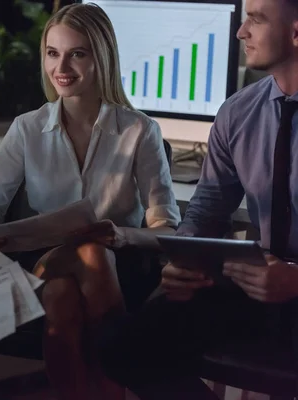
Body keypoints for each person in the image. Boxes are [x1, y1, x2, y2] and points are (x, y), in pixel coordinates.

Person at [0, 4, 181, 399]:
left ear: (101, 58)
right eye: (52, 53)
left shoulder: (139, 130)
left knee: (72, 284)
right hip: (42, 260)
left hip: (121, 267)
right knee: (86, 260)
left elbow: (165, 228)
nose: (61, 66)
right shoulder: (26, 128)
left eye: (77, 53)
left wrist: (122, 236)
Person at [97, 0, 298, 399]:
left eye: (255, 20)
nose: (241, 33)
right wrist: (182, 260)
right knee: (122, 346)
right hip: (256, 288)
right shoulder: (239, 112)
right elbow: (207, 206)